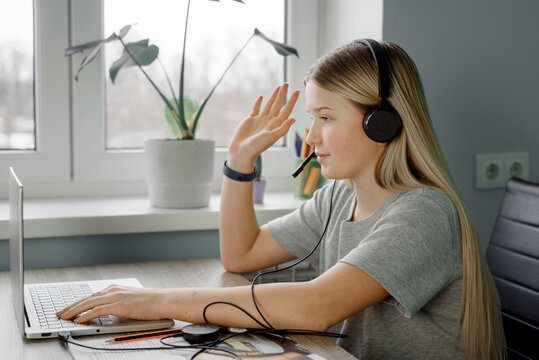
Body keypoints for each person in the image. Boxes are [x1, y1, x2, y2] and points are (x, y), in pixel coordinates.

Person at [58, 40, 504, 359]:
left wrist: (155, 302)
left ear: (381, 124)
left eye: (326, 117)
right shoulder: (338, 196)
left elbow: (315, 307)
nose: (310, 137)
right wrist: (239, 161)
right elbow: (240, 254)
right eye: (313, 117)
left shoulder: (424, 213)